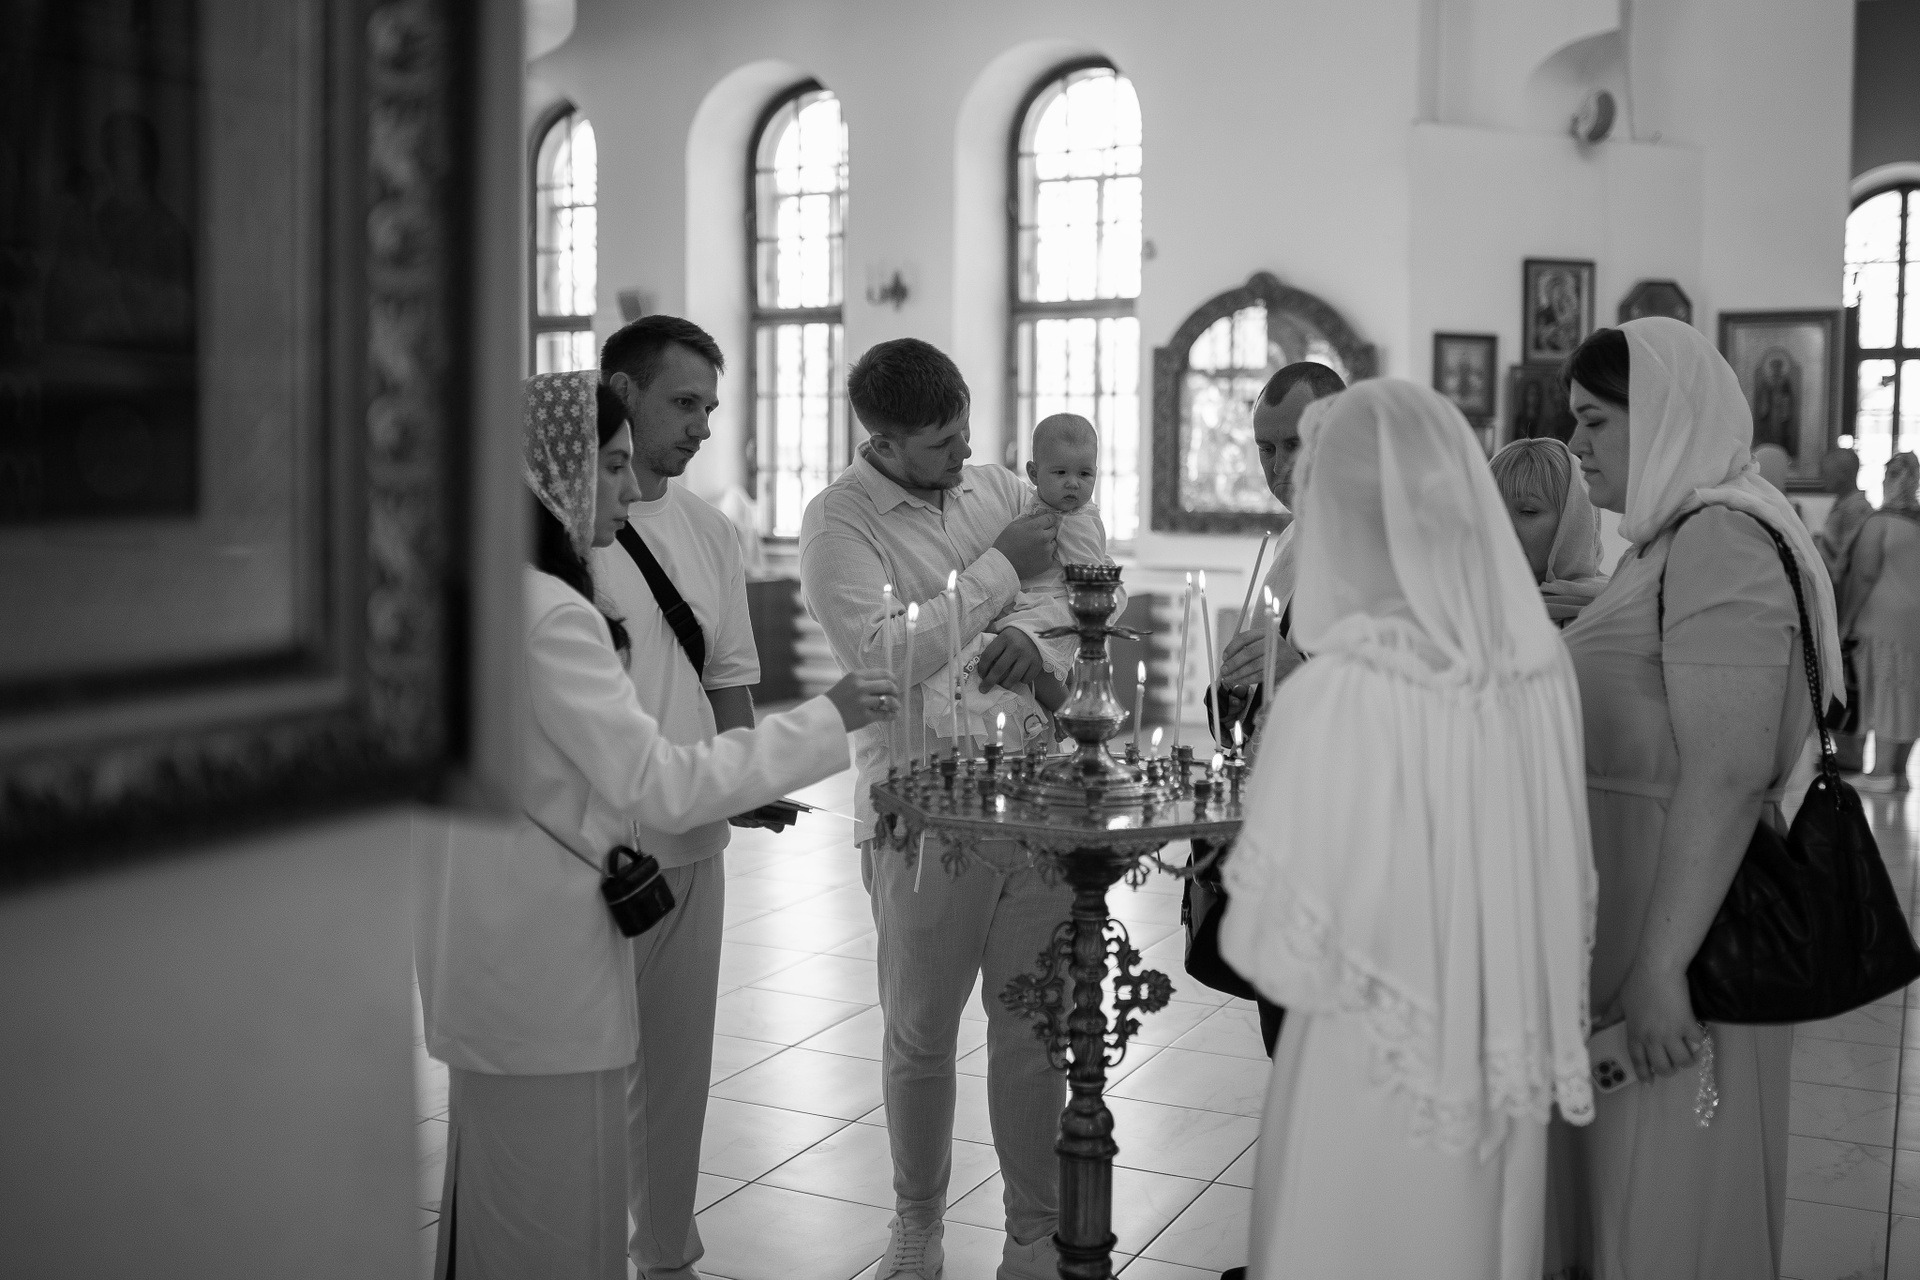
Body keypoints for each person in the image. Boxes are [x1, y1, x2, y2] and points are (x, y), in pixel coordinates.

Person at [418, 371, 895, 1280]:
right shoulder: (551, 614)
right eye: (608, 466)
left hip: (485, 967)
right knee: (558, 1231)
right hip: (545, 981)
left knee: (495, 1215)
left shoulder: (476, 597)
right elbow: (658, 783)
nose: (628, 490)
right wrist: (829, 718)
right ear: (550, 475)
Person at [1218, 380, 1596, 1279]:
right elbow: (1570, 878)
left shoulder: (1337, 690)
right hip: (1496, 1058)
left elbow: (1273, 951)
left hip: (1368, 1070)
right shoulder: (1540, 666)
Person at [1552, 319, 1842, 1280]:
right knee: (1616, 1192)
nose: (1577, 443)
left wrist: (1659, 970)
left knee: (1662, 1200)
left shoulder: (1722, 538)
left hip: (1682, 931)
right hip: (1632, 910)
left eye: (1596, 420)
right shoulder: (1665, 539)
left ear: (1666, 417)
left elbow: (1729, 772)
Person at [797, 339, 1078, 1280]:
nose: (963, 455)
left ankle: (1033, 1235)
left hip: (1035, 793)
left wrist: (1034, 646)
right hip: (920, 809)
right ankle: (917, 1223)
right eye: (939, 444)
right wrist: (997, 572)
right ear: (882, 443)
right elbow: (880, 657)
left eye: (963, 433)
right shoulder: (839, 523)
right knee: (921, 1031)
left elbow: (1079, 594)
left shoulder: (1001, 489)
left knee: (1032, 1024)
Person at [594, 316, 765, 1280]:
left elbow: (728, 677)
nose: (702, 425)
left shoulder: (709, 532)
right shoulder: (559, 529)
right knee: (582, 1068)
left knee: (673, 1069)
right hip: (586, 843)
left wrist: (748, 780)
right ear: (622, 392)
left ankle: (665, 1256)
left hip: (691, 836)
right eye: (684, 402)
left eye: (709, 405)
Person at [1841, 451, 1920, 791]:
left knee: (1887, 688)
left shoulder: (1880, 522)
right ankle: (1900, 771)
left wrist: (1845, 621)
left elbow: (1864, 574)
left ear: (1889, 480)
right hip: (1915, 620)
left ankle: (1881, 772)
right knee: (1910, 690)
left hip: (1882, 616)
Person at [1488, 437, 1607, 625]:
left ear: (1574, 523)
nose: (1503, 527)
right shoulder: (1463, 603)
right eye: (1491, 510)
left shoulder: (1611, 614)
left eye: (1528, 512)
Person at [1818, 447, 1874, 770]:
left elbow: (1846, 563)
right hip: (1836, 602)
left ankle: (1851, 753)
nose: (1823, 477)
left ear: (1844, 473)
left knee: (1850, 681)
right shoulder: (1843, 506)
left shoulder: (1857, 510)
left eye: (1827, 471)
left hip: (1845, 605)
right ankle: (1843, 749)